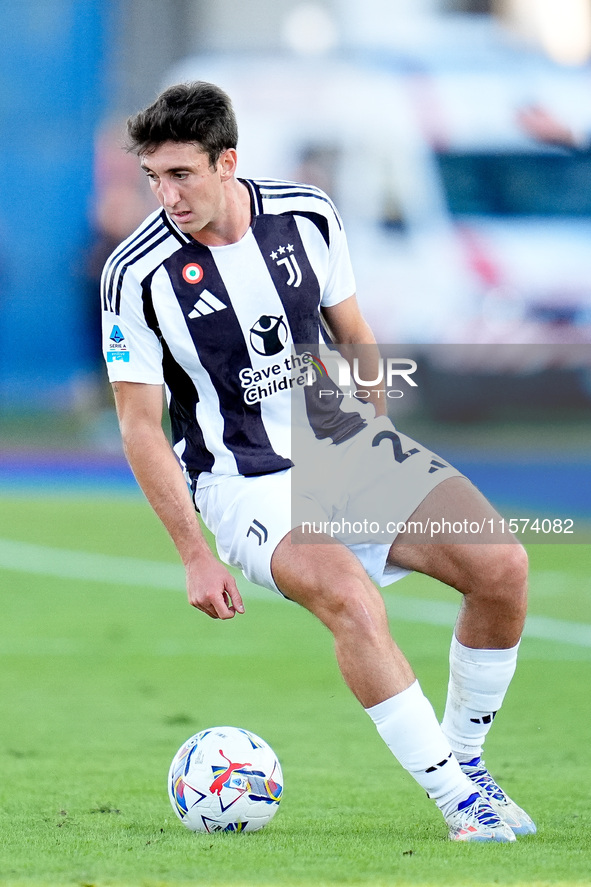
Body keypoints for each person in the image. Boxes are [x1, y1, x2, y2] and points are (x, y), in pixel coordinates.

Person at [100, 81, 536, 842]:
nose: (165, 196)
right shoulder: (135, 275)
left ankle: (467, 762)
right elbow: (141, 426)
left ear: (227, 160)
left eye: (181, 175)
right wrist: (194, 554)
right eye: (152, 178)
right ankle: (457, 803)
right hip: (244, 482)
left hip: (342, 445)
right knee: (352, 600)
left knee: (501, 565)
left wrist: (379, 437)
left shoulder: (306, 214)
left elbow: (354, 332)